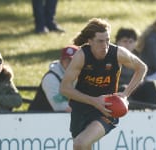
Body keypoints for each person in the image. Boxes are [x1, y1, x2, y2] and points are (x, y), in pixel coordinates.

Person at [60, 18, 147, 150]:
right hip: (81, 108)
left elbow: (141, 68)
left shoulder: (118, 53)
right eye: (100, 41)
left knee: (80, 143)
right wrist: (94, 101)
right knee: (82, 146)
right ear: (90, 41)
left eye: (107, 40)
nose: (105, 45)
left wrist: (125, 94)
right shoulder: (82, 56)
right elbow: (64, 88)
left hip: (107, 109)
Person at [115, 27, 156, 109]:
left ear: (135, 44)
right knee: (123, 88)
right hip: (119, 91)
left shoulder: (138, 57)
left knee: (150, 85)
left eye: (130, 42)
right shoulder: (112, 56)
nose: (127, 44)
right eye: (124, 41)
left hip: (136, 88)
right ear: (117, 42)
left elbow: (142, 77)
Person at [28, 45, 79, 112]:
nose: (70, 63)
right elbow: (59, 106)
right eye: (67, 60)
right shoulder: (50, 78)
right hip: (39, 119)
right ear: (61, 61)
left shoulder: (82, 75)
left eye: (73, 60)